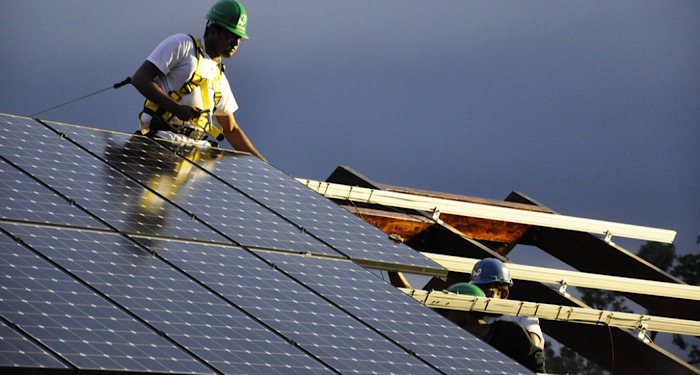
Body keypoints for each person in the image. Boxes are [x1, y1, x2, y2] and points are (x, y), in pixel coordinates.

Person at [131, 0, 266, 161]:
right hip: (161, 142)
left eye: (240, 38)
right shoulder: (183, 45)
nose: (236, 43)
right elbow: (140, 79)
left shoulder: (219, 78)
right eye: (231, 35)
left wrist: (266, 168)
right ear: (213, 29)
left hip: (193, 157)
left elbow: (231, 130)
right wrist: (176, 108)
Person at [446, 281, 546, 373]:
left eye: (446, 310)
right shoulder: (457, 347)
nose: (442, 316)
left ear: (463, 311)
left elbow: (536, 367)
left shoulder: (511, 333)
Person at [470, 257, 545, 349]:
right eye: (476, 290)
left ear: (503, 294)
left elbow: (533, 349)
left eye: (487, 291)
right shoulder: (469, 316)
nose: (480, 296)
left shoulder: (523, 315)